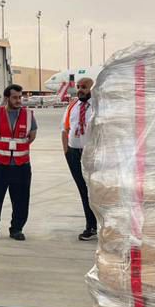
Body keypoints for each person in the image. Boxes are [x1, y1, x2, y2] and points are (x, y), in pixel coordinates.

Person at [0, 84, 37, 240]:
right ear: (7, 98)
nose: (19, 100)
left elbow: (32, 135)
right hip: (0, 165)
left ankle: (17, 229)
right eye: (15, 97)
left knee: (21, 199)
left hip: (21, 165)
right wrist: (1, 148)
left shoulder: (28, 115)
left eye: (20, 97)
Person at [62, 76, 97, 241]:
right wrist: (66, 151)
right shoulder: (72, 106)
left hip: (93, 154)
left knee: (96, 191)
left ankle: (100, 225)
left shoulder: (99, 106)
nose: (80, 90)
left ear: (92, 88)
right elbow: (65, 129)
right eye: (79, 86)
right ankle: (90, 226)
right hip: (74, 153)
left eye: (84, 87)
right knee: (83, 190)